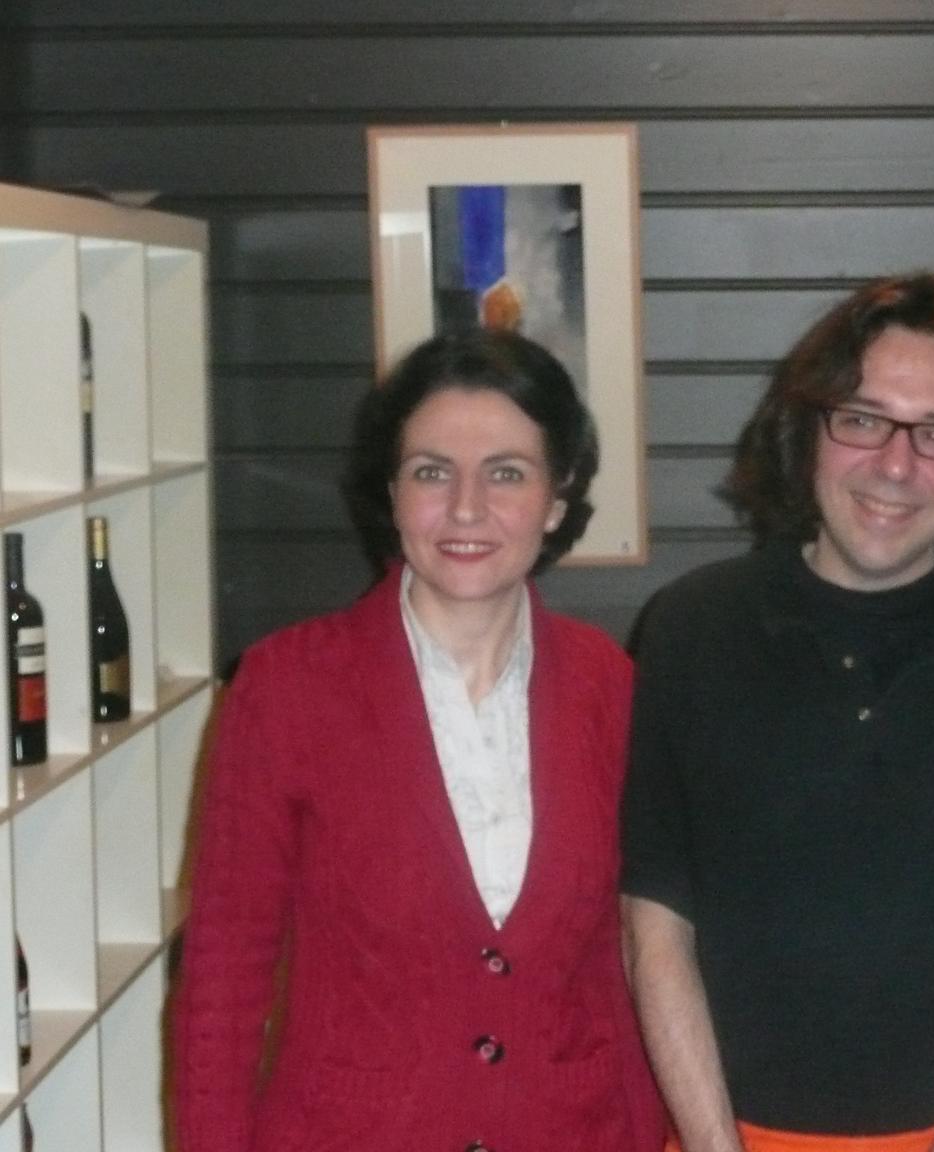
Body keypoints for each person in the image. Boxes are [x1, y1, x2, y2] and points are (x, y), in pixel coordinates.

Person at [621, 272, 934, 1152]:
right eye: (862, 419)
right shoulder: (692, 630)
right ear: (806, 428)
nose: (896, 464)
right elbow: (655, 928)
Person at [173, 328, 664, 1152]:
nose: (466, 508)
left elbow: (625, 969)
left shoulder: (609, 688)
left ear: (556, 498)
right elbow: (223, 977)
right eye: (433, 472)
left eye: (506, 472)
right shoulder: (287, 687)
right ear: (393, 493)